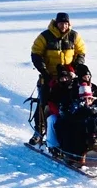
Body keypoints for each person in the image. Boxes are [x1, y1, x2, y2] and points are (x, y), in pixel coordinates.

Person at [28, 13, 84, 145]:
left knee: (73, 102)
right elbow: (36, 54)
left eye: (66, 23)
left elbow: (80, 52)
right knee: (44, 103)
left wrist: (76, 69)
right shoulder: (45, 36)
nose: (63, 26)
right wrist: (44, 72)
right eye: (61, 23)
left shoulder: (74, 36)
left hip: (68, 77)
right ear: (56, 23)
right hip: (49, 77)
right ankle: (38, 131)